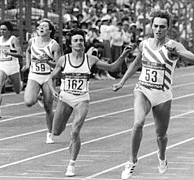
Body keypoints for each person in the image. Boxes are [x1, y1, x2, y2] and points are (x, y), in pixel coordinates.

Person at [112, 9, 194, 180]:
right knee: (138, 123)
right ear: (151, 27)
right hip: (143, 90)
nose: (158, 30)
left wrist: (177, 52)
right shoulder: (144, 44)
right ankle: (131, 162)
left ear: (168, 28)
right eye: (155, 26)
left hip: (162, 95)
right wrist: (122, 81)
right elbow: (136, 64)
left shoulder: (174, 45)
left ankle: (161, 157)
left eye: (162, 27)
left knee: (161, 135)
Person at [48, 29, 132, 177]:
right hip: (65, 98)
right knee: (56, 131)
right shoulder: (64, 60)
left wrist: (123, 55)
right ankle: (72, 143)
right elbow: (50, 78)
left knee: (75, 131)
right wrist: (53, 90)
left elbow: (112, 67)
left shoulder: (90, 59)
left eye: (81, 40)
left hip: (82, 99)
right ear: (71, 43)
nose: (79, 42)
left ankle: (71, 165)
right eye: (76, 40)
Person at [22, 18, 61, 144]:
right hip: (34, 75)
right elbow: (28, 52)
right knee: (28, 102)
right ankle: (39, 97)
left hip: (48, 77)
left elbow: (58, 65)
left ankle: (49, 133)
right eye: (40, 26)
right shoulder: (32, 41)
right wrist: (28, 64)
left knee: (48, 107)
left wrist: (47, 61)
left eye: (45, 26)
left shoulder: (54, 45)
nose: (42, 28)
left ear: (50, 30)